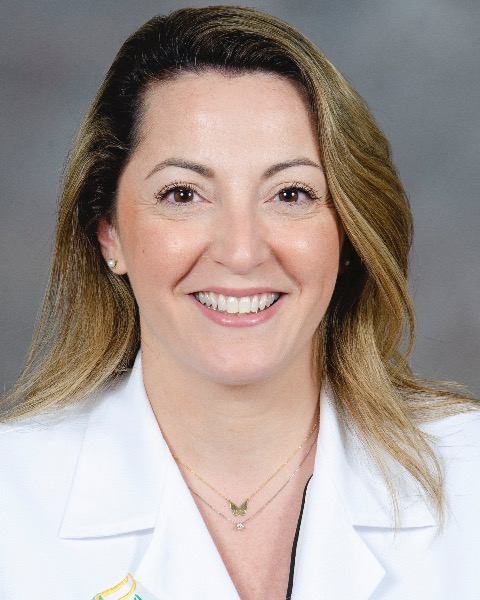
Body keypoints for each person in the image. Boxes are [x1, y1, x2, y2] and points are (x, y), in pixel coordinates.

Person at [1, 6, 478, 600]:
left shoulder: (469, 478)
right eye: (183, 194)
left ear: (347, 233)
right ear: (109, 234)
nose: (243, 251)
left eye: (290, 194)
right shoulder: (12, 497)